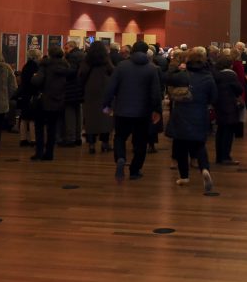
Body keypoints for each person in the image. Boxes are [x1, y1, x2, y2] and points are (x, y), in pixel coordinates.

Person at [102, 41, 162, 182]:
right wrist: (157, 110)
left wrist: (107, 104)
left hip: (122, 109)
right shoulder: (151, 68)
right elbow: (155, 93)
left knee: (120, 137)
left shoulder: (122, 66)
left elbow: (111, 88)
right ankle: (135, 170)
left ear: (132, 51)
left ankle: (121, 158)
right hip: (143, 112)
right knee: (141, 142)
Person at [168, 46, 217, 190]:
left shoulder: (183, 74)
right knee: (199, 145)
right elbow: (214, 97)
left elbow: (167, 78)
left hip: (181, 113)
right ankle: (205, 169)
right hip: (199, 114)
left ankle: (184, 176)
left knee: (181, 146)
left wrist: (177, 69)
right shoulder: (208, 77)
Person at [30, 45, 70, 161]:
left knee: (39, 127)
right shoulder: (65, 67)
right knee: (52, 128)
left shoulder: (45, 65)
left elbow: (37, 81)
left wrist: (34, 77)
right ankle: (49, 153)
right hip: (58, 100)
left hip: (44, 100)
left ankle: (39, 152)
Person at [80, 41, 114, 153]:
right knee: (106, 117)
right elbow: (113, 72)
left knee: (90, 118)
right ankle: (105, 143)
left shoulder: (87, 61)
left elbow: (81, 76)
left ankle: (91, 144)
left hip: (90, 92)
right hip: (105, 92)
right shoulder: (106, 61)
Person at [213, 54, 244, 165]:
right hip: (229, 106)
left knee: (220, 131)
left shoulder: (216, 74)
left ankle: (219, 157)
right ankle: (225, 157)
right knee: (228, 133)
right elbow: (239, 89)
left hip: (219, 105)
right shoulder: (230, 75)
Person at [15, 49, 41, 147]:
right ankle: (33, 140)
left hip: (25, 94)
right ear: (36, 57)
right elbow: (35, 82)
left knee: (24, 117)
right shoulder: (35, 67)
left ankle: (23, 139)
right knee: (32, 119)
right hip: (32, 95)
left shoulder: (26, 66)